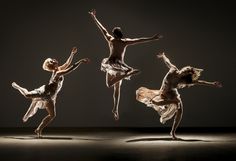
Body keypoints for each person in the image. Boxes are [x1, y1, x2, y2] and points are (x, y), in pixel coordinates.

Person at [89, 9, 162, 120]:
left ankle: (115, 108)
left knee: (114, 88)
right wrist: (94, 18)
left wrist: (94, 18)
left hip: (115, 64)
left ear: (115, 34)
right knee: (114, 88)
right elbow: (139, 40)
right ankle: (127, 76)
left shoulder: (117, 40)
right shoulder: (119, 41)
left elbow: (138, 40)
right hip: (114, 64)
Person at [136, 52, 222, 139]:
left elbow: (199, 82)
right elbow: (168, 62)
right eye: (186, 68)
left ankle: (172, 132)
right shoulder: (173, 69)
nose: (185, 70)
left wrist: (212, 84)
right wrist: (163, 56)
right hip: (163, 92)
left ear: (186, 74)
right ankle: (169, 103)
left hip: (172, 94)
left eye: (187, 71)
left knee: (180, 111)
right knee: (157, 102)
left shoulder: (184, 81)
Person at [12, 47, 90, 138]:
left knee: (52, 115)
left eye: (52, 60)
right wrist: (80, 61)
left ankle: (39, 129)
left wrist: (72, 53)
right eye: (52, 61)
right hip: (45, 92)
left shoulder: (58, 69)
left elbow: (68, 63)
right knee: (27, 95)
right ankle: (18, 86)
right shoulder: (57, 73)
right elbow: (70, 69)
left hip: (50, 96)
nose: (54, 59)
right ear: (52, 65)